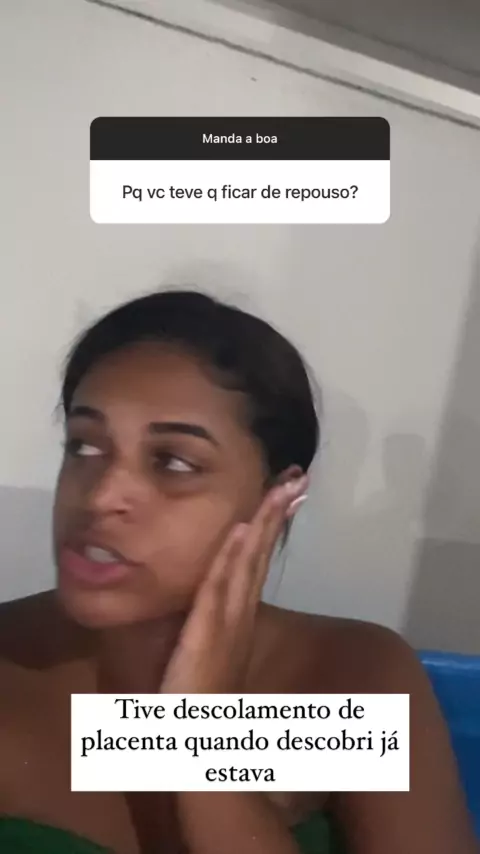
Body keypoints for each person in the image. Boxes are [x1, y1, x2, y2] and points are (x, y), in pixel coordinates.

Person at [0, 290, 476, 854]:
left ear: (275, 498)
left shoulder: (351, 674)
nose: (101, 497)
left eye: (174, 462)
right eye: (84, 447)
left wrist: (200, 732)